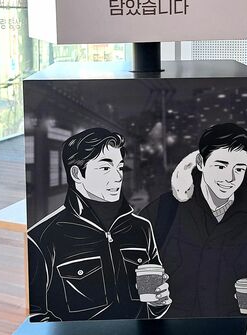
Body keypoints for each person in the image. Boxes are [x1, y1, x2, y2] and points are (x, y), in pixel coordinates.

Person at [27, 128, 171, 322]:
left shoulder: (141, 228)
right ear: (77, 174)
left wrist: (158, 302)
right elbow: (35, 317)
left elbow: (154, 306)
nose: (118, 176)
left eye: (120, 167)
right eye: (105, 168)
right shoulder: (41, 238)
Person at [141, 123, 247, 318]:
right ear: (201, 162)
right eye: (221, 166)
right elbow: (126, 267)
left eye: (239, 169)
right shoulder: (165, 210)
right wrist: (145, 296)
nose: (230, 178)